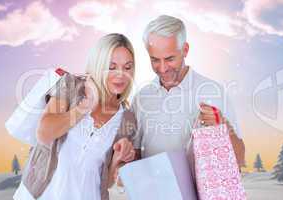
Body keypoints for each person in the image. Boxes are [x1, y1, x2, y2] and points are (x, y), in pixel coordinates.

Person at [13, 33, 136, 200]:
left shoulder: (127, 118)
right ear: (98, 65)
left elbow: (105, 182)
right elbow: (44, 133)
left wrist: (116, 163)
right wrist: (86, 105)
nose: (121, 74)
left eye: (127, 67)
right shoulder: (71, 85)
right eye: (112, 67)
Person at [130, 15, 245, 167]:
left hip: (197, 191)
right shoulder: (141, 98)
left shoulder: (212, 92)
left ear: (185, 50)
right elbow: (135, 156)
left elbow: (239, 159)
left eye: (170, 59)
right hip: (152, 190)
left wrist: (222, 126)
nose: (163, 69)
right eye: (155, 60)